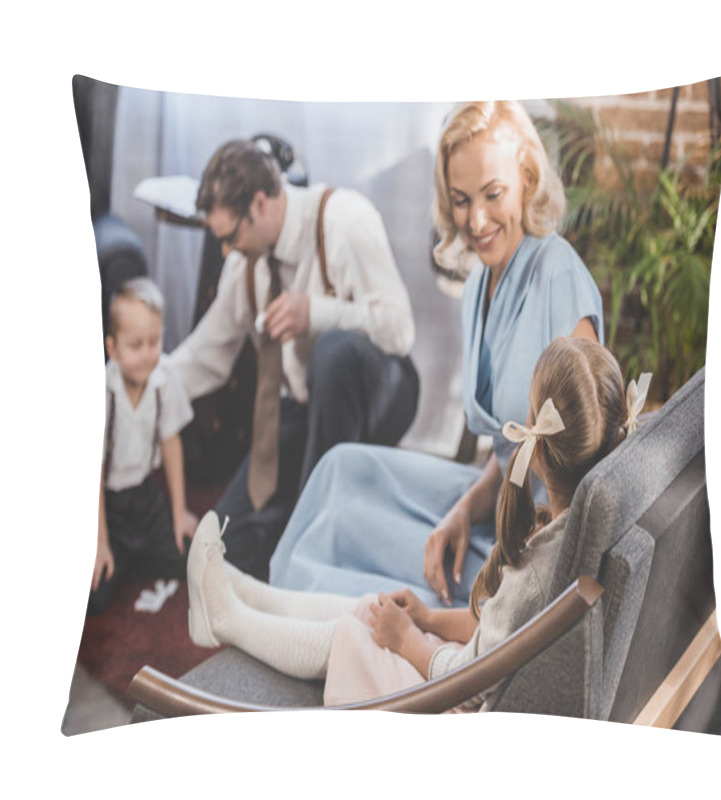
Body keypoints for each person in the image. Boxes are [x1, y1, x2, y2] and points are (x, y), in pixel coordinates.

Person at [269, 100, 604, 608]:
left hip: (537, 540)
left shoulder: (559, 277)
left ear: (528, 180)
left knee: (351, 533)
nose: (477, 219)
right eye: (461, 199)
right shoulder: (477, 288)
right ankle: (271, 599)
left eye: (493, 194)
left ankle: (271, 616)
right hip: (497, 500)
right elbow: (515, 445)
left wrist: (513, 567)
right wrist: (461, 511)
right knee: (342, 469)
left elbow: (587, 466)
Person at [187, 337, 634, 710]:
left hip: (453, 708)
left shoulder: (536, 570)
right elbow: (498, 634)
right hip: (472, 679)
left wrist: (408, 642)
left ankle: (230, 621)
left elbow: (471, 678)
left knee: (353, 635)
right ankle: (249, 594)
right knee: (371, 607)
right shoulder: (582, 528)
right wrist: (427, 619)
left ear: (534, 441)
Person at [170, 139, 419, 579]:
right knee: (224, 550)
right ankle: (300, 527)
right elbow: (206, 353)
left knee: (333, 351)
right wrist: (137, 386)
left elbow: (400, 330)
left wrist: (316, 314)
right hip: (304, 409)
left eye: (229, 237)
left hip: (381, 390)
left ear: (260, 204)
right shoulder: (246, 260)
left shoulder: (346, 220)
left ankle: (316, 539)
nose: (225, 250)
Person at [90, 278, 198, 615]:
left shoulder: (163, 377)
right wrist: (99, 542)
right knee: (93, 597)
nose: (147, 354)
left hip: (146, 498)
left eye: (154, 341)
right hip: (108, 505)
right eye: (135, 345)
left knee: (187, 559)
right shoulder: (101, 392)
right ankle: (122, 558)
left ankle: (137, 559)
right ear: (113, 347)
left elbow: (170, 443)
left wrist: (179, 513)